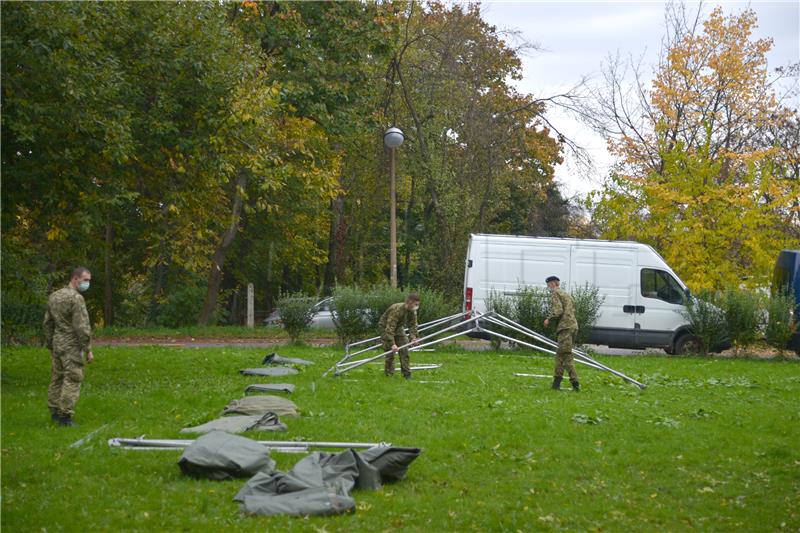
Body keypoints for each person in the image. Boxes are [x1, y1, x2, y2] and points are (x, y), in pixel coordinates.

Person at [43, 267, 94, 426]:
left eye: (89, 281)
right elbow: (81, 326)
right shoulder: (76, 299)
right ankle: (65, 416)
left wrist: (51, 343)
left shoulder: (54, 296)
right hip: (71, 344)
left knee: (57, 377)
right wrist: (88, 349)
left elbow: (47, 323)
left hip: (58, 343)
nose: (87, 283)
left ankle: (54, 411)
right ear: (75, 278)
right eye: (85, 280)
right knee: (72, 378)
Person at [543, 276, 580, 392]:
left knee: (566, 355)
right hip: (572, 326)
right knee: (560, 355)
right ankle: (556, 383)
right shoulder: (566, 294)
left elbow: (558, 311)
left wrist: (548, 319)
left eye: (548, 285)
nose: (548, 287)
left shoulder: (555, 293)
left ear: (553, 284)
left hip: (565, 328)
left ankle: (575, 383)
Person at [378, 293, 420, 379]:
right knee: (390, 352)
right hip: (385, 327)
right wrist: (392, 343)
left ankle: (407, 374)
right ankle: (389, 374)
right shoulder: (397, 310)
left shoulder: (412, 311)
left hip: (399, 328)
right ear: (409, 302)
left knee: (405, 349)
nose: (417, 306)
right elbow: (389, 328)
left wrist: (413, 338)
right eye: (416, 304)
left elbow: (413, 325)